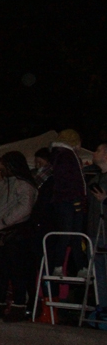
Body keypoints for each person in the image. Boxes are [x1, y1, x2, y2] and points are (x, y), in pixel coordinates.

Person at [0, 151, 39, 321]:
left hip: (16, 235)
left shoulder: (24, 185)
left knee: (17, 273)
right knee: (0, 273)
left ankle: (18, 307)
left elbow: (25, 208)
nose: (3, 169)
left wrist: (4, 221)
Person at [49, 129, 87, 275]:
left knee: (72, 234)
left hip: (66, 200)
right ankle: (60, 266)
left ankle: (79, 267)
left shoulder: (61, 155)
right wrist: (76, 199)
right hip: (69, 201)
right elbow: (70, 181)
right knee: (69, 234)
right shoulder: (67, 155)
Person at [85, 142, 107, 317]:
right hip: (94, 233)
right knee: (98, 275)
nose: (94, 152)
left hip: (104, 233)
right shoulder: (94, 179)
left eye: (98, 150)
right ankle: (102, 308)